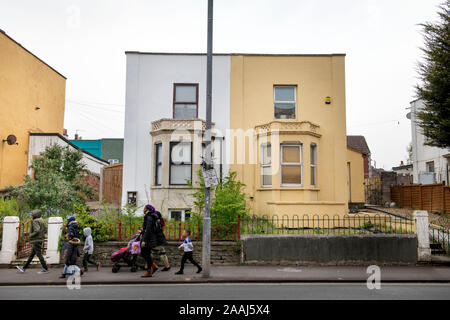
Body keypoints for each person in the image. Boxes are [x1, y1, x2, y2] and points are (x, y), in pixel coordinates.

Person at [16, 209, 49, 274]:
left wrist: (30, 235)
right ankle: (24, 268)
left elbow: (37, 230)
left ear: (35, 215)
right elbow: (45, 230)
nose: (32, 216)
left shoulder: (35, 221)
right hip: (40, 239)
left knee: (39, 255)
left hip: (36, 240)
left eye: (32, 215)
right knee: (31, 255)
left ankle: (45, 269)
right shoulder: (42, 220)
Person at [140, 204, 159, 278]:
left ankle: (149, 271)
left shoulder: (149, 217)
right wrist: (143, 230)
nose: (143, 209)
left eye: (144, 208)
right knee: (145, 254)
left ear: (147, 209)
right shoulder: (152, 216)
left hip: (148, 239)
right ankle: (153, 266)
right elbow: (148, 228)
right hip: (151, 238)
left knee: (145, 254)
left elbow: (148, 230)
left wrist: (144, 240)